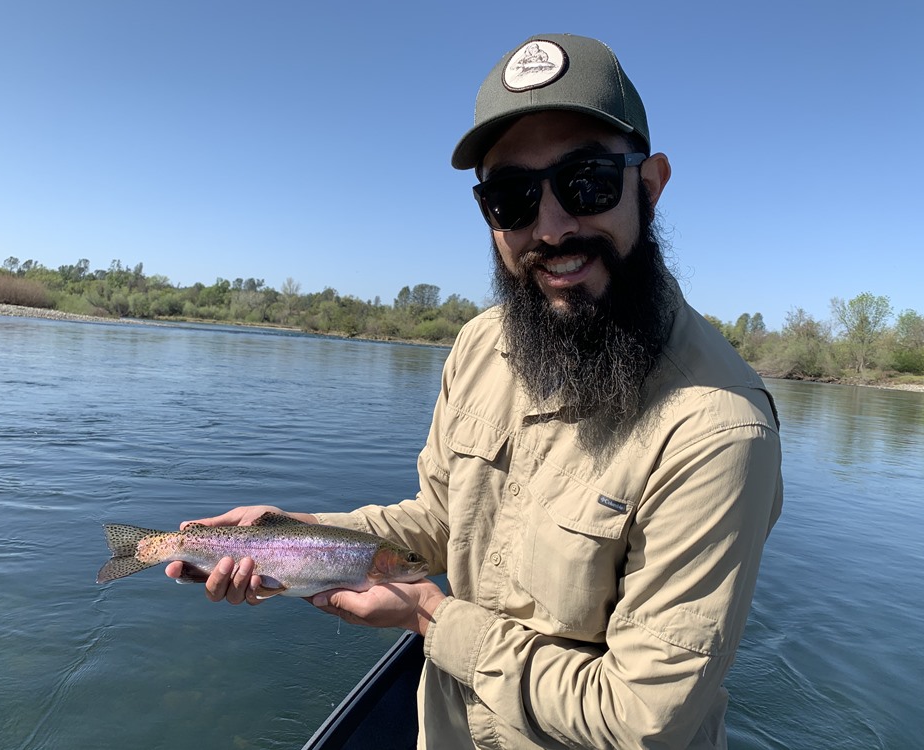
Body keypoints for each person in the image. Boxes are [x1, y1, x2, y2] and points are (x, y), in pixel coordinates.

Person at [166, 33, 784, 750]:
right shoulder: (482, 344)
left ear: (649, 186)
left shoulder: (718, 429)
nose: (551, 227)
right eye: (513, 197)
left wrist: (429, 615)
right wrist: (292, 533)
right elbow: (438, 518)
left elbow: (634, 719)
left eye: (587, 182)